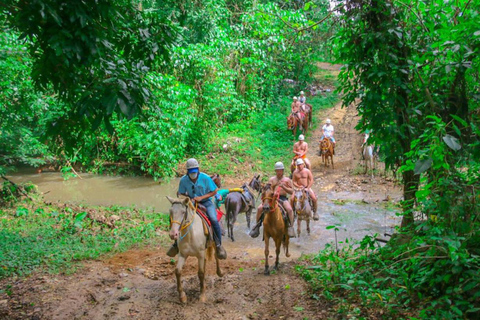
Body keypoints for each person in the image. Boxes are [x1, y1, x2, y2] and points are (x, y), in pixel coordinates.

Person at [167, 158, 227, 259]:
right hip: (190, 202)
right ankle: (176, 244)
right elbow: (180, 193)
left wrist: (201, 198)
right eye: (190, 172)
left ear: (198, 169)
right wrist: (188, 199)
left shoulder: (205, 178)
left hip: (206, 202)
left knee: (213, 219)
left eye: (194, 172)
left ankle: (218, 245)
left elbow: (215, 191)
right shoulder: (183, 180)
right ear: (187, 171)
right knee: (178, 218)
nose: (192, 175)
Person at [249, 162, 296, 238]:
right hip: (271, 198)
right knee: (259, 208)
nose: (278, 172)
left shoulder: (287, 180)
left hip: (282, 198)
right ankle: (257, 226)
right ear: (275, 171)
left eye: (280, 170)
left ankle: (291, 226)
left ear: (283, 170)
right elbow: (267, 189)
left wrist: (284, 187)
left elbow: (291, 191)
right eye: (277, 170)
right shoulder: (272, 179)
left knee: (290, 209)